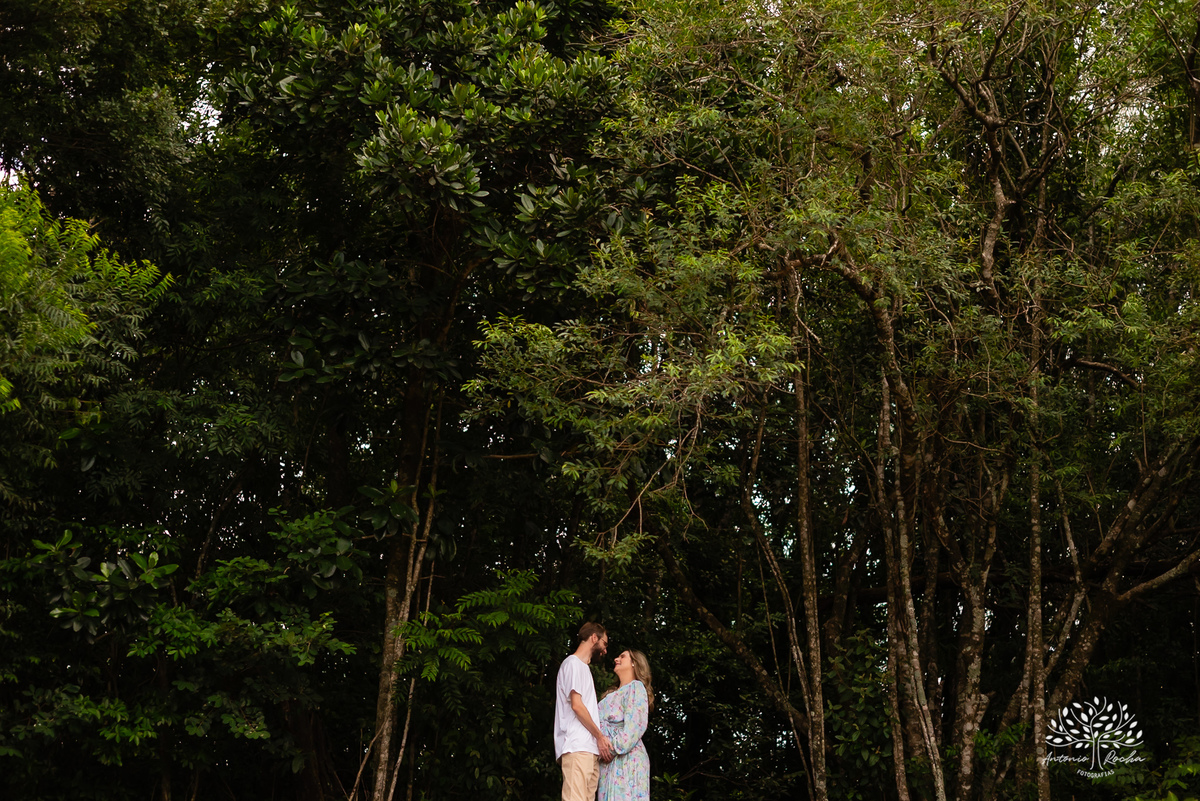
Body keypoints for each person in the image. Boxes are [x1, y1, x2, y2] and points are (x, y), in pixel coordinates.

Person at [554, 622, 614, 801]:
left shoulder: (583, 668)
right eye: (604, 644)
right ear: (594, 638)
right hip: (577, 746)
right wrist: (600, 737)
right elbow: (577, 706)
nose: (604, 651)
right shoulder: (573, 664)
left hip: (588, 751)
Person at [597, 649, 653, 801]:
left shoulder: (635, 687)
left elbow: (634, 728)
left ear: (634, 663)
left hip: (626, 759)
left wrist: (609, 749)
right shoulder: (610, 694)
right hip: (608, 761)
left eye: (622, 656)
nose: (616, 658)